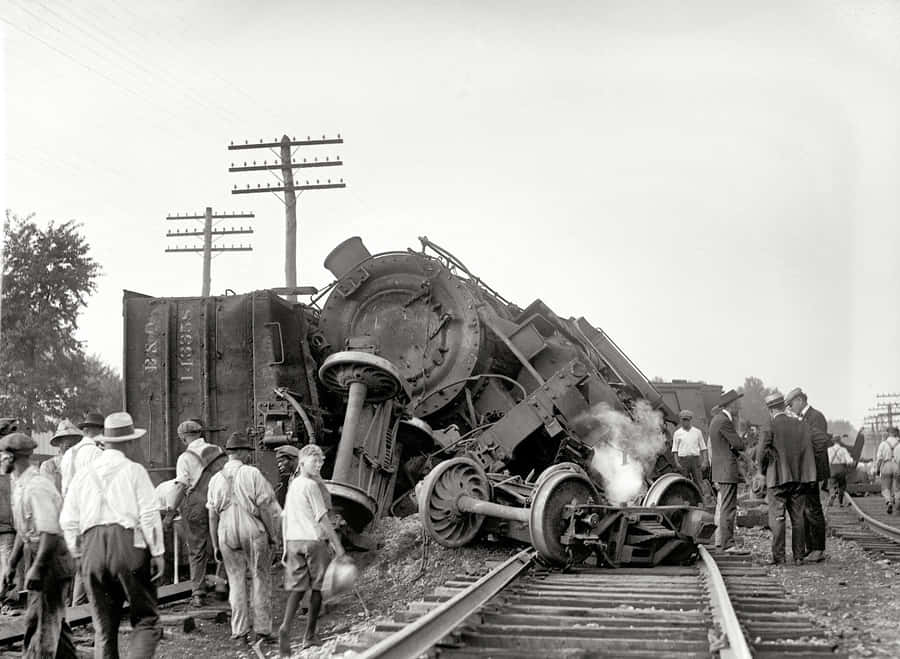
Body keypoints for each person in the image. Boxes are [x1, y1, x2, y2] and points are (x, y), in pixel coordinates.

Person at [59, 412, 165, 659]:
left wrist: (77, 554)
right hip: (127, 545)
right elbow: (149, 513)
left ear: (106, 441)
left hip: (91, 548)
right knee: (146, 619)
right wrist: (158, 551)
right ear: (128, 442)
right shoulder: (134, 470)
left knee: (104, 628)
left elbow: (68, 520)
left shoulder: (83, 475)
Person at [1, 432, 77, 658]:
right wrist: (12, 565)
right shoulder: (20, 485)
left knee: (41, 625)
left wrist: (38, 567)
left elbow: (50, 533)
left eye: (2, 456)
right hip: (40, 554)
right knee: (53, 622)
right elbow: (23, 533)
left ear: (12, 457)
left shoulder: (37, 487)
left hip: (51, 559)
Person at [207, 432, 282, 645]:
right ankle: (262, 631)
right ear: (240, 452)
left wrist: (215, 544)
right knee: (260, 578)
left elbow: (212, 515)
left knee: (236, 581)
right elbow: (266, 507)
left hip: (226, 529)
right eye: (247, 451)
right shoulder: (252, 473)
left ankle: (239, 633)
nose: (249, 455)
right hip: (252, 528)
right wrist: (273, 535)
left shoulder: (215, 479)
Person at [279, 444, 345, 656]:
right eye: (313, 461)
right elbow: (322, 518)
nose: (317, 465)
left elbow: (285, 517)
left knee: (298, 589)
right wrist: (338, 545)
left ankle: (285, 628)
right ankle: (309, 636)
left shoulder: (293, 485)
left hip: (294, 541)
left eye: (320, 461)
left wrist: (284, 546)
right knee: (317, 589)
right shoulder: (311, 486)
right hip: (313, 542)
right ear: (302, 462)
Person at [164, 419, 226, 607]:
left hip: (197, 505)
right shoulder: (218, 451)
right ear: (200, 434)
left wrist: (170, 513)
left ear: (183, 438)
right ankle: (222, 587)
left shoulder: (185, 457)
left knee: (197, 549)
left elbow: (181, 486)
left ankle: (198, 593)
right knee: (222, 544)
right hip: (219, 501)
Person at [756, 393, 817, 565]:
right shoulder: (800, 424)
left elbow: (761, 451)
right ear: (783, 406)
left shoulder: (770, 424)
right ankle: (798, 556)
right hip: (798, 479)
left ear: (771, 409)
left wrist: (760, 471)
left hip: (777, 479)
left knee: (777, 518)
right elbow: (807, 450)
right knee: (798, 518)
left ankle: (779, 557)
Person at [784, 387, 829, 562]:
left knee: (814, 509)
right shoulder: (802, 418)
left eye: (791, 404)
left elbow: (818, 444)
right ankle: (811, 548)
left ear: (800, 400)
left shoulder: (816, 417)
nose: (790, 407)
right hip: (805, 470)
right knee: (806, 509)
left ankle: (818, 549)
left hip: (813, 469)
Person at [708, 389, 745, 552]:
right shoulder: (724, 421)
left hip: (720, 470)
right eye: (737, 402)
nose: (739, 405)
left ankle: (723, 541)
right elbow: (738, 444)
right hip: (727, 470)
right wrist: (739, 439)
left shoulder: (717, 420)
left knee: (725, 506)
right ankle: (727, 543)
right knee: (728, 508)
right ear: (731, 405)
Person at [671, 410, 713, 503]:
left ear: (690, 420)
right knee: (684, 482)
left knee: (699, 480)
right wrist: (677, 462)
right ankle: (685, 501)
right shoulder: (677, 433)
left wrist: (705, 461)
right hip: (683, 460)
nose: (684, 422)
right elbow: (674, 450)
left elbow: (703, 448)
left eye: (686, 420)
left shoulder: (697, 432)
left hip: (695, 459)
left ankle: (704, 500)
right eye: (682, 420)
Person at [42, 420, 83, 495]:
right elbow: (47, 493)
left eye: (75, 442)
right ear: (59, 443)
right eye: (68, 443)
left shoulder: (82, 463)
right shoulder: (49, 466)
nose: (72, 447)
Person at [875, 427, 900, 514]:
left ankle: (889, 502)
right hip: (897, 465)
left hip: (886, 465)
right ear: (896, 433)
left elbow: (879, 459)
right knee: (897, 486)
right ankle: (897, 501)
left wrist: (878, 469)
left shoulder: (883, 444)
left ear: (888, 433)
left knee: (886, 486)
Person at [827, 438, 855, 507]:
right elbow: (849, 461)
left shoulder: (829, 450)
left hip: (832, 469)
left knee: (831, 484)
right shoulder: (843, 449)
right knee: (842, 486)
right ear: (840, 441)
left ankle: (832, 494)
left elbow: (826, 460)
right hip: (841, 469)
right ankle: (840, 502)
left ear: (833, 441)